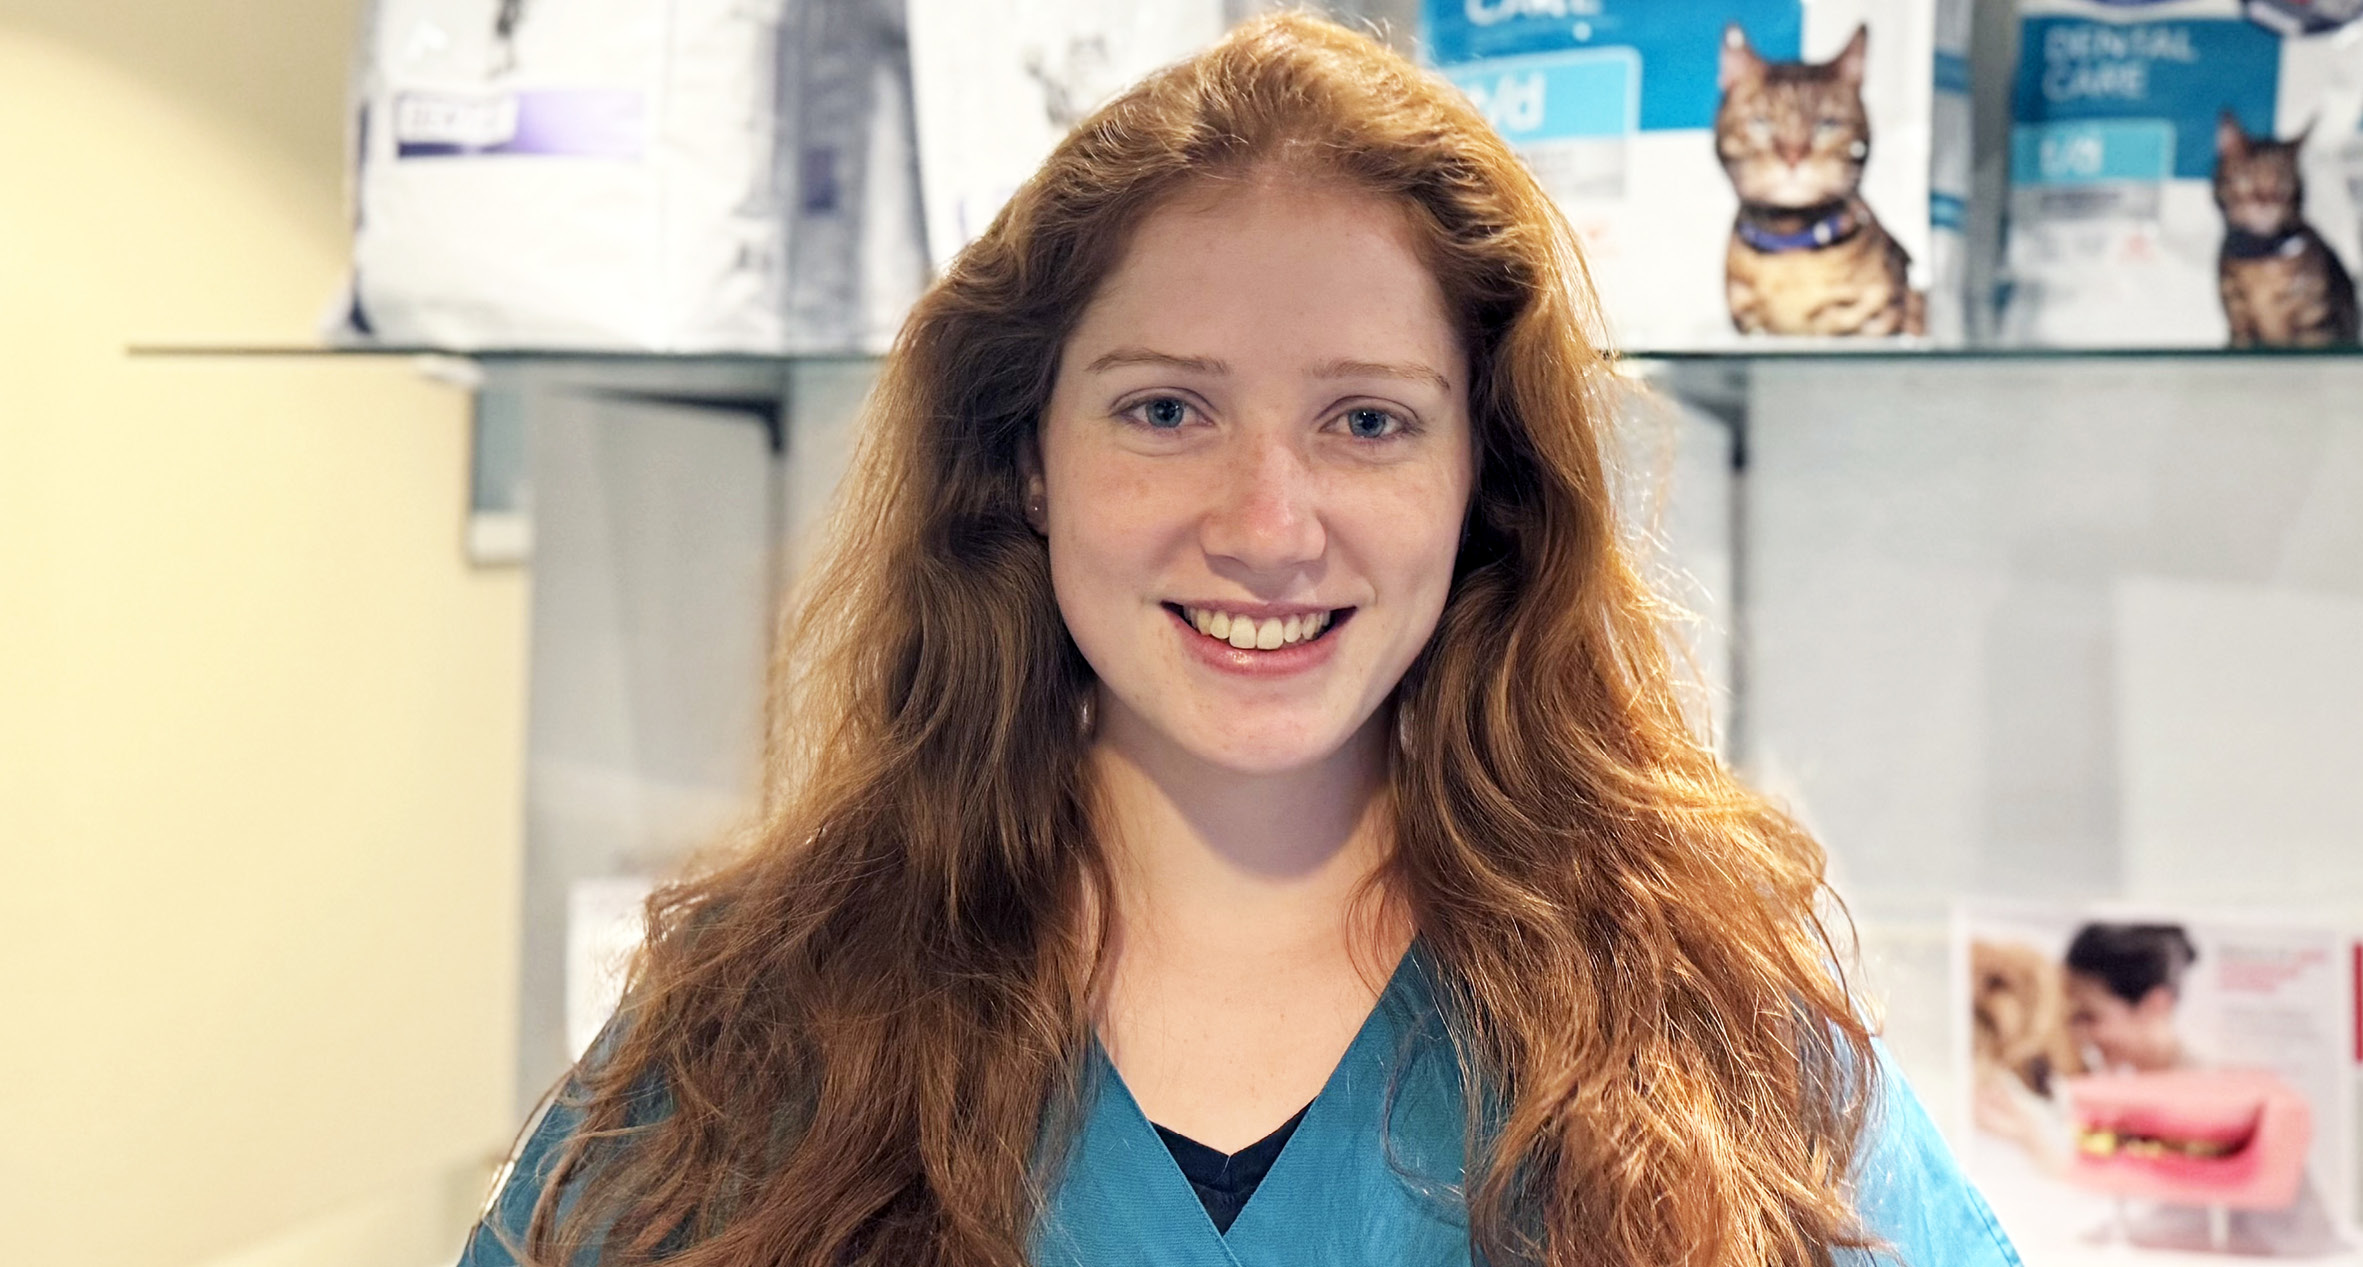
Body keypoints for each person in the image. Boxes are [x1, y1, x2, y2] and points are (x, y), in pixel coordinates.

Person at [459, 15, 2018, 1267]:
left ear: (1481, 478)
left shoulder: (1713, 1034)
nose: (1268, 525)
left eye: (1366, 420)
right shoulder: (758, 1026)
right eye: (1164, 409)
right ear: (1023, 457)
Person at [2062, 922, 2196, 1073]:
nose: (2077, 1033)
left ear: (2156, 1004)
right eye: (2071, 1018)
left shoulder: (2207, 1078)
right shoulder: (2103, 1076)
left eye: (2089, 1017)